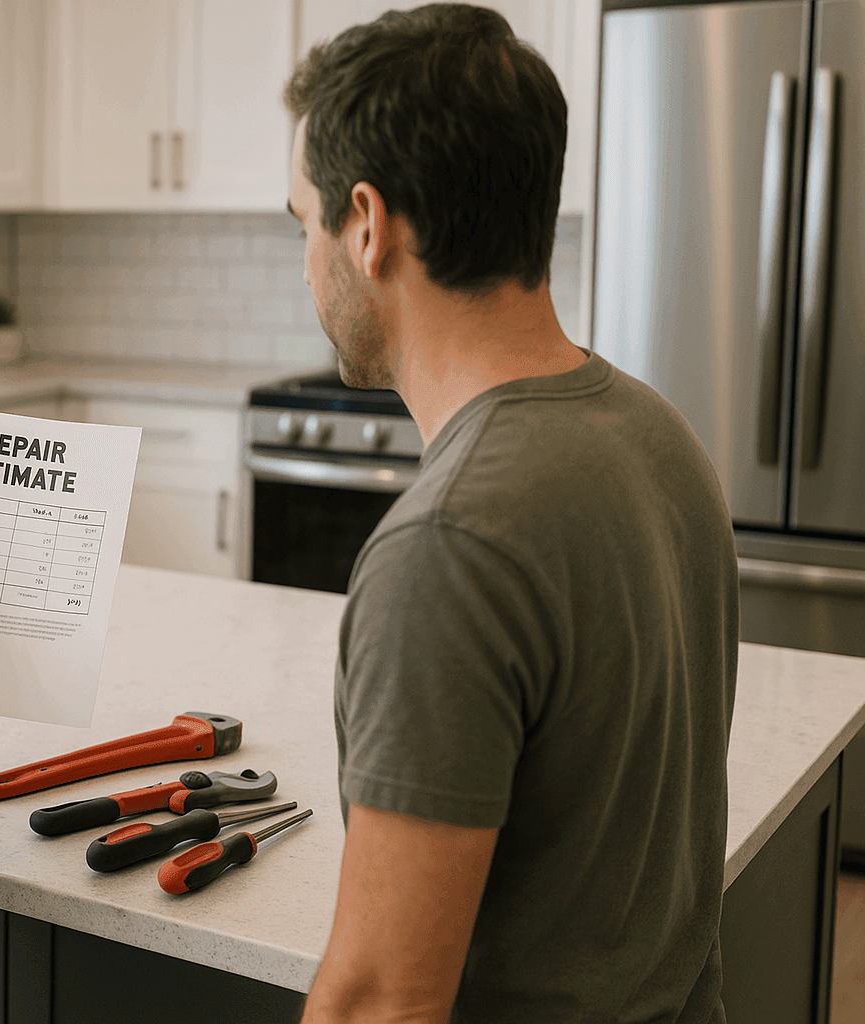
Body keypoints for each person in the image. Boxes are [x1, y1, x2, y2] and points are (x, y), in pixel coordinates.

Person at [283, 6, 738, 1023]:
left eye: (302, 223)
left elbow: (379, 1002)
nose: (304, 262)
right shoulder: (659, 436)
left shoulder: (449, 544)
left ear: (367, 223)